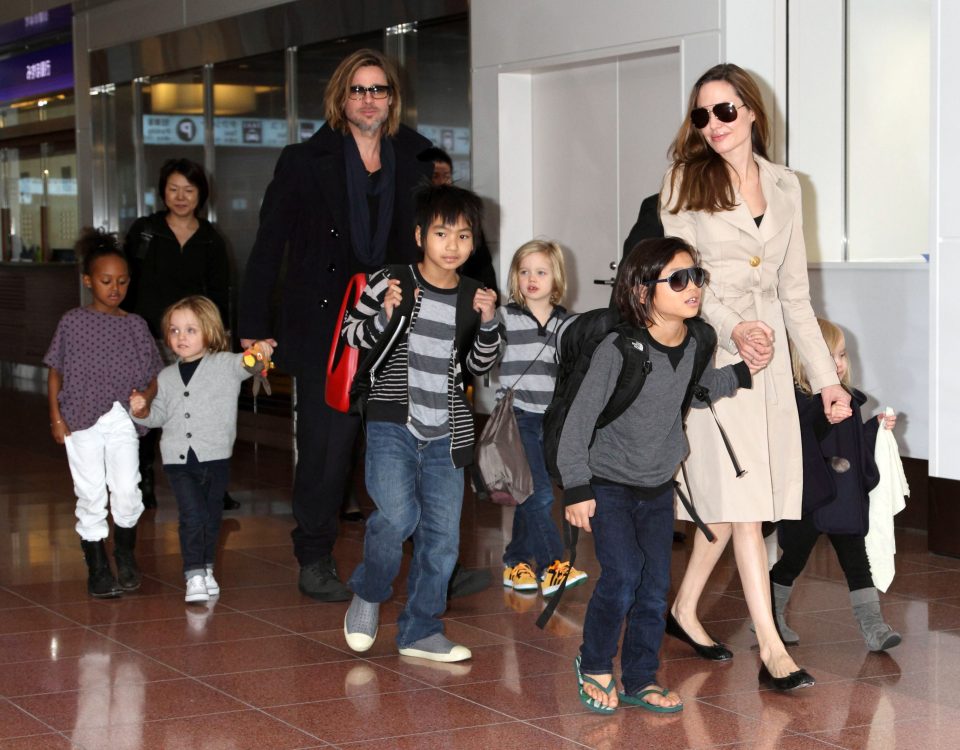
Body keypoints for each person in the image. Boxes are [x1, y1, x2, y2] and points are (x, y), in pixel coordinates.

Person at [659, 63, 850, 690]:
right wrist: (732, 324)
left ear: (751, 113)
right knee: (743, 508)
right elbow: (682, 277)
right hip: (717, 360)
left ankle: (684, 609)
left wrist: (826, 381)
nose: (712, 125)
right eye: (701, 115)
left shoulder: (789, 186)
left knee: (740, 497)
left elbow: (796, 295)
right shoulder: (683, 182)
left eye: (724, 111)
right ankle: (771, 649)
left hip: (771, 370)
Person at [238, 49, 433, 602]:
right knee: (326, 449)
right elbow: (268, 246)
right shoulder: (303, 161)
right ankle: (315, 555)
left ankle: (431, 555)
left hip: (396, 324)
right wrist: (253, 324)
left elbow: (436, 242)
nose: (369, 100)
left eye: (379, 90)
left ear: (391, 99)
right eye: (358, 90)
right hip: (327, 327)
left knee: (408, 442)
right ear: (340, 99)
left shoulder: (413, 159)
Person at [560, 236, 757, 713]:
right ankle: (595, 663)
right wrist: (576, 487)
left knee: (653, 586)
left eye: (697, 277)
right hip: (607, 483)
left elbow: (693, 389)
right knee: (623, 575)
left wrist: (742, 373)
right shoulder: (617, 349)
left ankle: (642, 676)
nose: (694, 288)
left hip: (656, 486)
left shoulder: (694, 343)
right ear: (644, 290)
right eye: (679, 279)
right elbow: (578, 420)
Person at [340, 184, 500, 662]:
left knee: (443, 538)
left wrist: (490, 323)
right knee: (397, 515)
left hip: (447, 431)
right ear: (419, 236)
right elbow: (352, 332)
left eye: (464, 235)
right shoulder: (391, 279)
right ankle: (369, 593)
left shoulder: (474, 295)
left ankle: (420, 629)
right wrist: (385, 313)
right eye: (441, 232)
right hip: (393, 419)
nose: (453, 245)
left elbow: (478, 363)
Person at [130, 296, 274, 603]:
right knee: (191, 513)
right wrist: (141, 411)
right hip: (177, 460)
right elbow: (159, 416)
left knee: (210, 515)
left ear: (209, 331)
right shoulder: (166, 377)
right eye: (175, 330)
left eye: (190, 330)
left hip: (215, 457)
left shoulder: (225, 365)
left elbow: (250, 363)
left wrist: (260, 352)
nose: (181, 337)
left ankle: (206, 568)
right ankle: (193, 574)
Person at [44, 229, 163, 598]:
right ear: (88, 280)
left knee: (127, 489)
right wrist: (56, 417)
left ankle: (125, 554)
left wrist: (144, 396)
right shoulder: (72, 322)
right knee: (91, 492)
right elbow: (55, 370)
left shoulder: (135, 325)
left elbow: (154, 375)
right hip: (79, 418)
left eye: (123, 281)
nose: (115, 288)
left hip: (121, 417)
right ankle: (97, 565)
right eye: (106, 280)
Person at [770, 318, 901, 651]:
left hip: (843, 499)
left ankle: (874, 627)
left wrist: (876, 428)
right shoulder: (799, 403)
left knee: (857, 562)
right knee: (793, 560)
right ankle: (769, 618)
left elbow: (854, 446)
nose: (839, 364)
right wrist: (823, 418)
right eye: (829, 358)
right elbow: (798, 440)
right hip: (809, 501)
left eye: (842, 355)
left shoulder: (850, 400)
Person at [122, 158, 232, 511]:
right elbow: (127, 282)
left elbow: (220, 291)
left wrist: (222, 335)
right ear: (162, 192)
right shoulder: (146, 230)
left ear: (201, 194)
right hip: (149, 335)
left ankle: (211, 480)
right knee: (149, 403)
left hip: (196, 340)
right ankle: (144, 478)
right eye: (173, 189)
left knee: (203, 409)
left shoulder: (211, 238)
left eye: (189, 190)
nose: (181, 197)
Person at [496, 239, 588, 597]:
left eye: (540, 271)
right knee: (540, 492)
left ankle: (516, 561)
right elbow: (484, 351)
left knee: (528, 491)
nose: (531, 278)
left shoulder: (566, 323)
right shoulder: (506, 317)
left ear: (556, 278)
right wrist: (487, 321)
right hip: (516, 416)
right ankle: (553, 565)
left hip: (550, 420)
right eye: (524, 271)